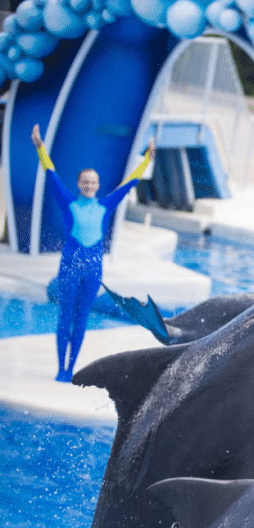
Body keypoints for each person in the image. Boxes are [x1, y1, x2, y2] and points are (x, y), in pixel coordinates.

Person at [31, 124, 154, 382]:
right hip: (69, 267)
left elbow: (129, 183)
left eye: (93, 182)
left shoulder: (106, 204)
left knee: (82, 318)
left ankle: (72, 366)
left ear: (98, 185)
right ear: (79, 184)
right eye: (85, 182)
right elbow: (51, 174)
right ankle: (60, 367)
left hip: (93, 270)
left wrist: (146, 160)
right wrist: (40, 147)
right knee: (65, 317)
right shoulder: (69, 204)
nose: (89, 185)